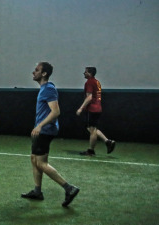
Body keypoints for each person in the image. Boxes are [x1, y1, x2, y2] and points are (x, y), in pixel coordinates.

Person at [21, 62, 80, 207]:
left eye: (36, 70)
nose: (33, 72)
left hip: (45, 130)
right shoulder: (44, 89)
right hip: (42, 130)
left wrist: (40, 126)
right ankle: (37, 191)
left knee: (41, 163)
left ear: (44, 73)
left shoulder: (48, 89)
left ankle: (69, 188)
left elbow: (56, 112)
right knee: (34, 159)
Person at [76, 67, 116, 156]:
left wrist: (81, 108)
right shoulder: (97, 82)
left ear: (90, 73)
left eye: (85, 72)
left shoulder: (89, 82)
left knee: (92, 130)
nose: (84, 73)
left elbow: (89, 97)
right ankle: (108, 141)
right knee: (91, 128)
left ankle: (91, 151)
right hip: (98, 108)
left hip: (92, 109)